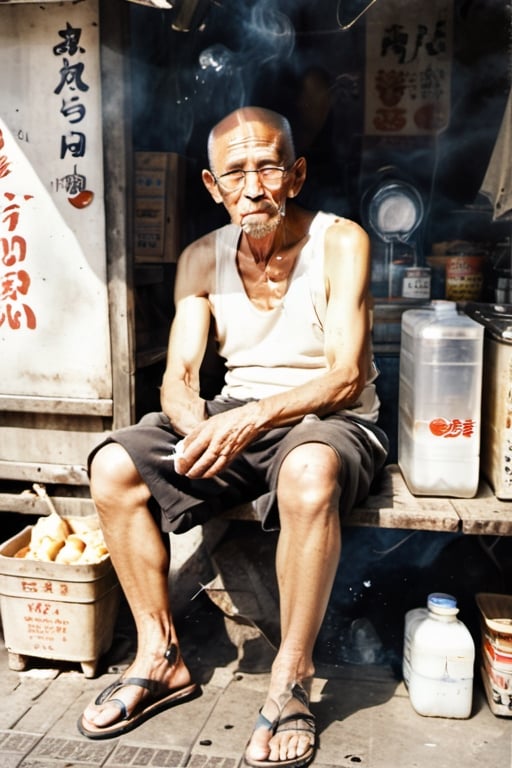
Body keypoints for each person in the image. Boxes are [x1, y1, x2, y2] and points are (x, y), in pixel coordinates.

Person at [78, 106, 388, 767]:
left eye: (269, 166)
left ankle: (291, 682)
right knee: (113, 465)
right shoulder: (200, 259)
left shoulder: (342, 241)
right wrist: (199, 428)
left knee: (309, 472)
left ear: (296, 175)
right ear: (212, 186)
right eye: (235, 173)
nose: (254, 186)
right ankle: (160, 657)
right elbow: (179, 378)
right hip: (238, 413)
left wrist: (244, 421)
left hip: (330, 421)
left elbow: (343, 376)